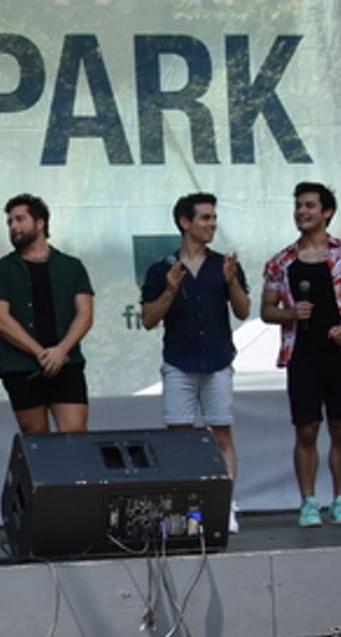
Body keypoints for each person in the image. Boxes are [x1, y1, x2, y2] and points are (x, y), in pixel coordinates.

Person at [262, 182, 341, 527]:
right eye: (298, 205)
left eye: (309, 205)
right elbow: (266, 310)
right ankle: (308, 501)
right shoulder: (281, 261)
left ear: (327, 212)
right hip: (302, 353)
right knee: (306, 428)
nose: (302, 211)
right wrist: (290, 313)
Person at [141, 193, 251, 533]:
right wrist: (170, 290)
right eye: (205, 217)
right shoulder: (161, 269)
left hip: (217, 360)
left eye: (214, 217)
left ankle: (225, 505)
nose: (212, 224)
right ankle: (187, 509)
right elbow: (148, 319)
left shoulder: (224, 264)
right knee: (180, 439)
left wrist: (232, 281)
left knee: (221, 435)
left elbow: (244, 311)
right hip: (179, 361)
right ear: (185, 222)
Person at [0, 194, 94, 433]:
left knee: (75, 434)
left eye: (20, 219)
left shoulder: (71, 266)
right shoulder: (1, 270)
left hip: (67, 363)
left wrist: (61, 350)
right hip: (21, 366)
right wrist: (41, 353)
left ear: (40, 222)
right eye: (10, 222)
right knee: (36, 438)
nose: (13, 226)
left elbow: (85, 314)